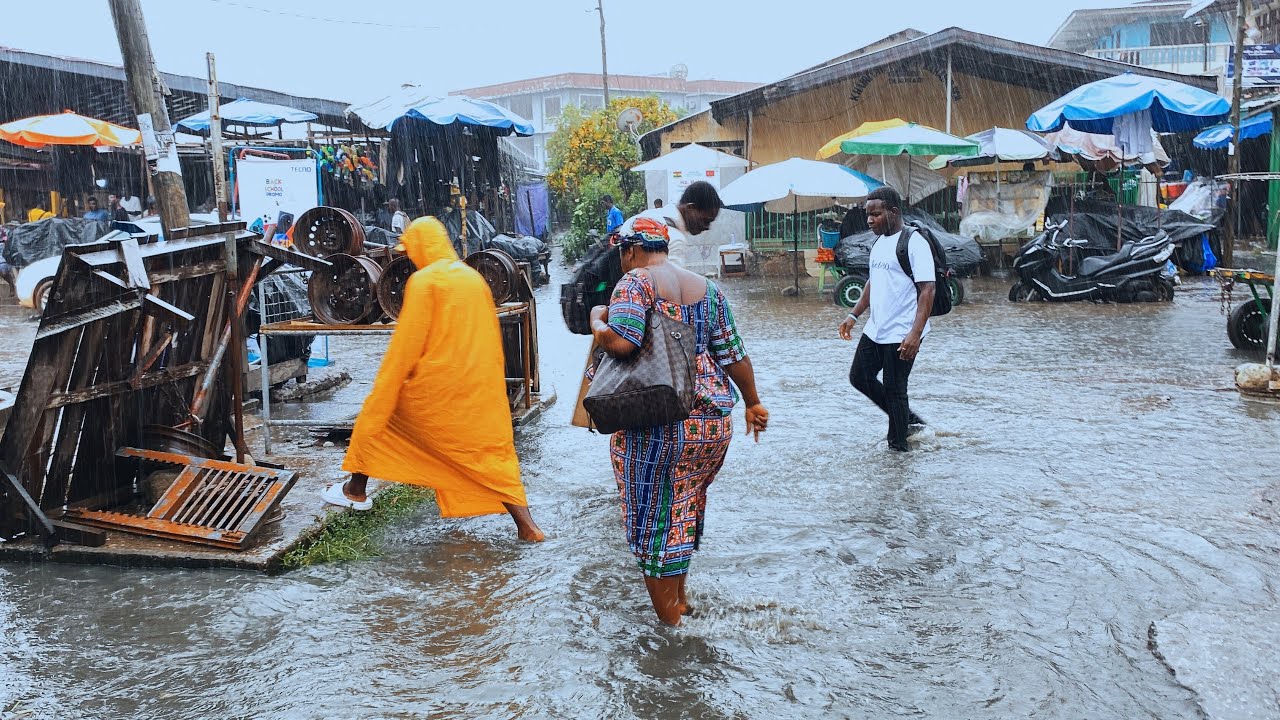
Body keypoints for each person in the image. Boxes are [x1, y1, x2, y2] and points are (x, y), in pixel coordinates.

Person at [588, 215, 768, 626]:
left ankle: (672, 631)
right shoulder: (708, 289)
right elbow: (734, 355)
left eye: (622, 253)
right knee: (682, 508)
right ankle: (681, 599)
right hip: (711, 428)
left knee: (651, 521)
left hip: (661, 421)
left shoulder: (636, 281)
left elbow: (622, 341)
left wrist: (598, 320)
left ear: (630, 250)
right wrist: (753, 403)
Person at [323, 217, 544, 542]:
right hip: (478, 391)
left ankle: (355, 490)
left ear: (423, 248)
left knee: (382, 418)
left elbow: (407, 346)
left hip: (437, 393)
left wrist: (386, 387)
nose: (411, 258)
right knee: (492, 460)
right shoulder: (474, 279)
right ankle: (529, 528)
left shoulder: (425, 282)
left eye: (411, 251)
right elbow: (489, 340)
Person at [839, 186, 934, 452]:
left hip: (903, 330)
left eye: (876, 214)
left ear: (893, 212)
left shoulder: (914, 242)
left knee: (895, 388)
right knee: (860, 377)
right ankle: (908, 420)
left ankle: (898, 450)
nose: (869, 220)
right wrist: (853, 314)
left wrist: (915, 333)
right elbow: (874, 281)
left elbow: (928, 289)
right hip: (877, 327)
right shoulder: (879, 242)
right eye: (868, 214)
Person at [616, 181, 723, 268]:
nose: (707, 227)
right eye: (706, 220)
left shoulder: (649, 215)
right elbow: (671, 286)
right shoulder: (675, 238)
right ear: (690, 208)